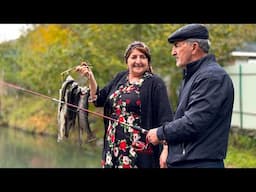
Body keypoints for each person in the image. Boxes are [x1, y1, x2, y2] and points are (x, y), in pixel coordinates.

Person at [146, 24, 234, 168]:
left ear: (194, 47)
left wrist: (160, 133)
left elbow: (193, 123)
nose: (173, 52)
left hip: (200, 163)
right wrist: (168, 148)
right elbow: (183, 118)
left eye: (177, 46)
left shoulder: (211, 77)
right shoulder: (194, 76)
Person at [76, 41, 173, 168]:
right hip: (112, 149)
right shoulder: (120, 77)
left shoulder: (155, 83)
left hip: (139, 152)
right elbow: (98, 99)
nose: (138, 61)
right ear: (127, 61)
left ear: (148, 61)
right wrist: (90, 77)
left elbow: (165, 119)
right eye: (134, 57)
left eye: (142, 57)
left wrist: (166, 150)